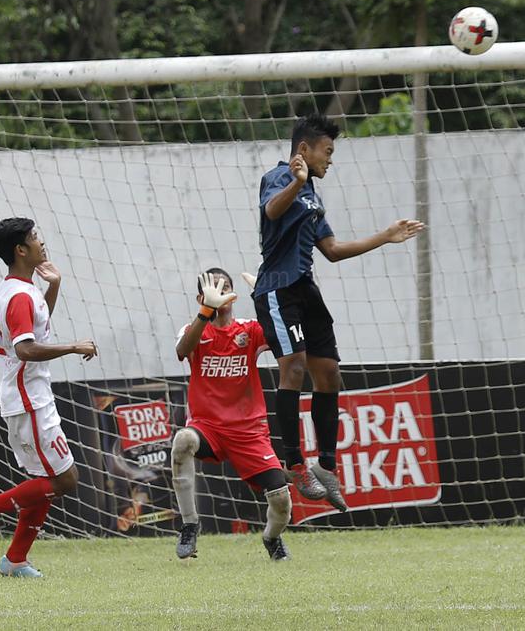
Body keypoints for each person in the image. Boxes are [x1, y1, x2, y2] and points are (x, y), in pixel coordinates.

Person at [251, 113, 425, 512]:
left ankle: (326, 465)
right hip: (277, 288)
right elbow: (272, 211)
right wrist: (296, 182)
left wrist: (385, 237)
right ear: (304, 149)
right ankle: (295, 464)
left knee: (329, 373)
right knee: (294, 367)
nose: (330, 160)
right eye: (327, 151)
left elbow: (331, 250)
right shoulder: (279, 178)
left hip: (305, 289)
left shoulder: (312, 195)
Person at [0, 217, 98, 578]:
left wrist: (54, 285)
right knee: (65, 480)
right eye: (34, 237)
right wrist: (73, 347)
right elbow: (25, 349)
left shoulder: (18, 289)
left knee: (46, 480)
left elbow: (36, 326)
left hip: (30, 397)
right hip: (29, 400)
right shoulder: (19, 296)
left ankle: (15, 560)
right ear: (21, 250)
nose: (42, 242)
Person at [172, 269, 292, 562]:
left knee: (281, 500)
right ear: (201, 297)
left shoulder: (250, 330)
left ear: (234, 294)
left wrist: (265, 298)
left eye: (225, 287)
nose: (220, 292)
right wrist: (205, 312)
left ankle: (271, 538)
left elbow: (284, 334)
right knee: (183, 440)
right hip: (208, 428)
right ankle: (190, 525)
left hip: (249, 432)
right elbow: (182, 350)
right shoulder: (194, 329)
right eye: (213, 288)